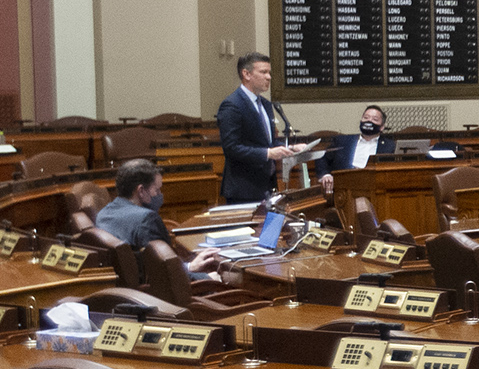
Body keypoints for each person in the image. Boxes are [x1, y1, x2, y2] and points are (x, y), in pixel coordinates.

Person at [214, 51, 312, 202]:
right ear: (246, 74)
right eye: (263, 72)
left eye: (269, 72)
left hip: (267, 185)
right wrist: (268, 154)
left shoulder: (266, 105)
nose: (269, 77)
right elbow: (231, 148)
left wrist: (291, 148)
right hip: (243, 189)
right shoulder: (232, 105)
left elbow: (267, 142)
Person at [96, 159, 222, 273]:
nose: (160, 195)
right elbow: (163, 272)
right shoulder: (146, 219)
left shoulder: (103, 214)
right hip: (154, 294)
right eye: (157, 190)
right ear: (141, 191)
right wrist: (192, 268)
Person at [318, 105, 396, 195]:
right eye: (366, 117)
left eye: (375, 119)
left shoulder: (390, 146)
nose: (369, 121)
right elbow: (322, 157)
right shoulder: (343, 141)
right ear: (361, 121)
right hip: (344, 188)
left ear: (382, 127)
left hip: (374, 188)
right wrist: (325, 175)